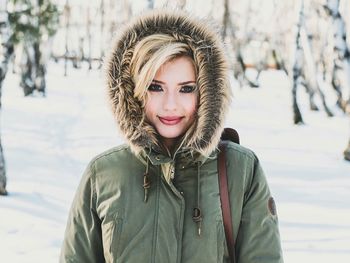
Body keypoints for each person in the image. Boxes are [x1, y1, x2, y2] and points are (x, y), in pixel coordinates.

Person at [60, 9, 283, 263]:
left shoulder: (241, 170)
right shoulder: (103, 174)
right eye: (156, 87)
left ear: (206, 93)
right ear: (133, 90)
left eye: (186, 89)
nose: (170, 105)